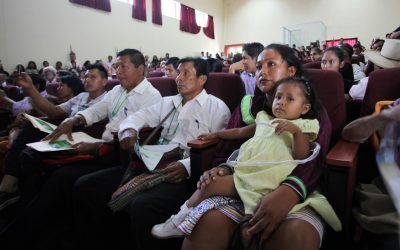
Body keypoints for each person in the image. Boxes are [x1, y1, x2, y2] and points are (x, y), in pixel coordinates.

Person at [177, 44, 334, 250]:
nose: (263, 71)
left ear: (291, 71)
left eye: (271, 64)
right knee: (206, 223)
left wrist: (290, 191)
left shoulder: (310, 112)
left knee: (295, 234)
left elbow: (313, 157)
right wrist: (222, 168)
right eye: (259, 66)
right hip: (243, 183)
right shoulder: (249, 106)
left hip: (291, 186)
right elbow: (229, 145)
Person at [73, 57, 231, 250]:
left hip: (185, 171)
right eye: (178, 72)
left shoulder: (216, 107)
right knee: (86, 186)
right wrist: (130, 130)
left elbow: (218, 149)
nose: (179, 78)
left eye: (185, 73)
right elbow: (137, 117)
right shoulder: (168, 102)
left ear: (202, 79)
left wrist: (186, 166)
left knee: (142, 205)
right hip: (152, 162)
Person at [0, 65, 104, 211]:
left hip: (83, 135)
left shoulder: (107, 98)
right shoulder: (81, 97)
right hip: (63, 131)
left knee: (28, 146)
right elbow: (54, 112)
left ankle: (11, 189)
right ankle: (12, 187)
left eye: (93, 77)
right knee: (30, 128)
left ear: (104, 81)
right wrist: (30, 89)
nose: (87, 80)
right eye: (86, 76)